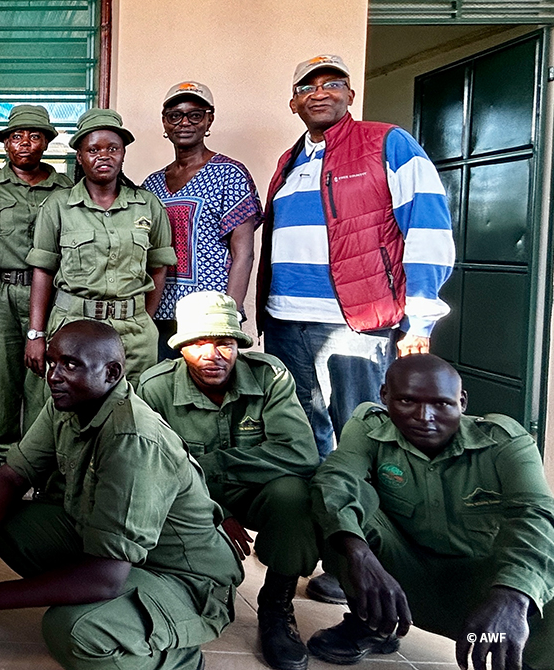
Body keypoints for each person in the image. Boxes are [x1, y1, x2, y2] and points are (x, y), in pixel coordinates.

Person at [0, 320, 242, 670]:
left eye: (70, 365)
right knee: (3, 521)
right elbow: (12, 476)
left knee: (71, 631)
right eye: (52, 362)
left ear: (112, 372)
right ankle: (106, 607)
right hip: (115, 552)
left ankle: (179, 658)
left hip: (184, 580)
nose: (53, 375)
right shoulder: (68, 402)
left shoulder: (132, 440)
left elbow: (105, 577)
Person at [257, 54, 455, 460]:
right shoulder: (288, 161)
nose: (319, 93)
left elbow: (427, 227)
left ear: (350, 93)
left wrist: (419, 321)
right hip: (285, 321)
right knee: (297, 436)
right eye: (307, 87)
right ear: (293, 104)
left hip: (353, 323)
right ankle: (315, 518)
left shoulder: (387, 143)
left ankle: (361, 521)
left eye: (331, 84)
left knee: (360, 433)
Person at [308, 355, 553, 670]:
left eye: (441, 404)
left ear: (461, 401)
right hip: (402, 575)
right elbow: (336, 480)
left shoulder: (504, 442)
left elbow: (535, 513)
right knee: (340, 509)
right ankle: (371, 625)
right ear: (384, 397)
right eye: (407, 400)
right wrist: (359, 553)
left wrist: (514, 594)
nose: (424, 416)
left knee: (544, 555)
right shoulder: (370, 428)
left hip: (484, 585)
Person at [138, 291, 320, 670]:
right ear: (181, 347)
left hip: (258, 492)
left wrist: (213, 468)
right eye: (198, 343)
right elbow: (152, 471)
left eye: (224, 343)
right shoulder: (154, 389)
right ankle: (181, 595)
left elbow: (300, 453)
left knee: (296, 496)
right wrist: (216, 511)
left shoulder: (269, 377)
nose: (213, 355)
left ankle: (277, 605)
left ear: (239, 345)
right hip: (187, 502)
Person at [25, 108, 176, 386]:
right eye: (93, 149)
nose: (104, 155)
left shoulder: (148, 205)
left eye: (113, 148)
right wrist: (36, 333)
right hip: (72, 325)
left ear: (122, 154)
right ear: (80, 157)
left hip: (133, 334)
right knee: (66, 413)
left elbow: (158, 268)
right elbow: (43, 272)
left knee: (132, 410)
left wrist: (145, 320)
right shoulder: (59, 206)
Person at [0, 105, 72, 457]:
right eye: (17, 136)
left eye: (35, 136)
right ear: (5, 144)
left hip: (49, 294)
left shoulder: (66, 188)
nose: (25, 143)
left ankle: (34, 466)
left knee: (44, 384)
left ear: (46, 142)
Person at [142, 82, 261, 360]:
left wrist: (230, 313)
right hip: (160, 312)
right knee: (161, 392)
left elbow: (243, 253)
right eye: (175, 115)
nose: (184, 122)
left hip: (210, 315)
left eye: (195, 115)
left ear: (209, 119)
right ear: (165, 122)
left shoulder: (229, 174)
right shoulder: (152, 184)